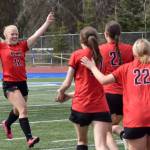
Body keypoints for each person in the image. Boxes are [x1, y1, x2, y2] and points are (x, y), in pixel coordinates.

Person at [81, 38, 150, 150]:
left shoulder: (126, 68)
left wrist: (92, 67)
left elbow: (103, 80)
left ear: (134, 53)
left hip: (135, 118)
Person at [0, 12, 54, 148]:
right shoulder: (2, 46)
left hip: (22, 83)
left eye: (16, 33)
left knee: (18, 111)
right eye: (11, 34)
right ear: (5, 36)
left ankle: (7, 123)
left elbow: (36, 34)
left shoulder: (22, 45)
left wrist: (47, 22)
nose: (14, 36)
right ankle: (29, 138)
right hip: (9, 84)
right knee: (23, 109)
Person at [56, 26, 112, 150]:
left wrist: (61, 92)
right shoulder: (102, 55)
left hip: (81, 106)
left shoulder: (77, 55)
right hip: (100, 105)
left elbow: (67, 83)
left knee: (82, 141)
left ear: (81, 40)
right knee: (102, 144)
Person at [100, 20, 133, 149]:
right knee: (112, 126)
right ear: (120, 34)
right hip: (127, 95)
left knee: (104, 130)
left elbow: (99, 73)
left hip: (109, 94)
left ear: (106, 33)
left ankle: (123, 135)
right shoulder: (130, 49)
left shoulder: (101, 49)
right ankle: (124, 134)